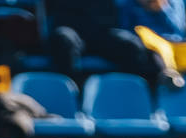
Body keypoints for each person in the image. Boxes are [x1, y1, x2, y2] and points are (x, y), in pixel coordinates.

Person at [45, 0, 179, 88]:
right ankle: (71, 94)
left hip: (101, 30)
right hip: (69, 27)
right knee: (63, 40)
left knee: (131, 45)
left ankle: (135, 96)